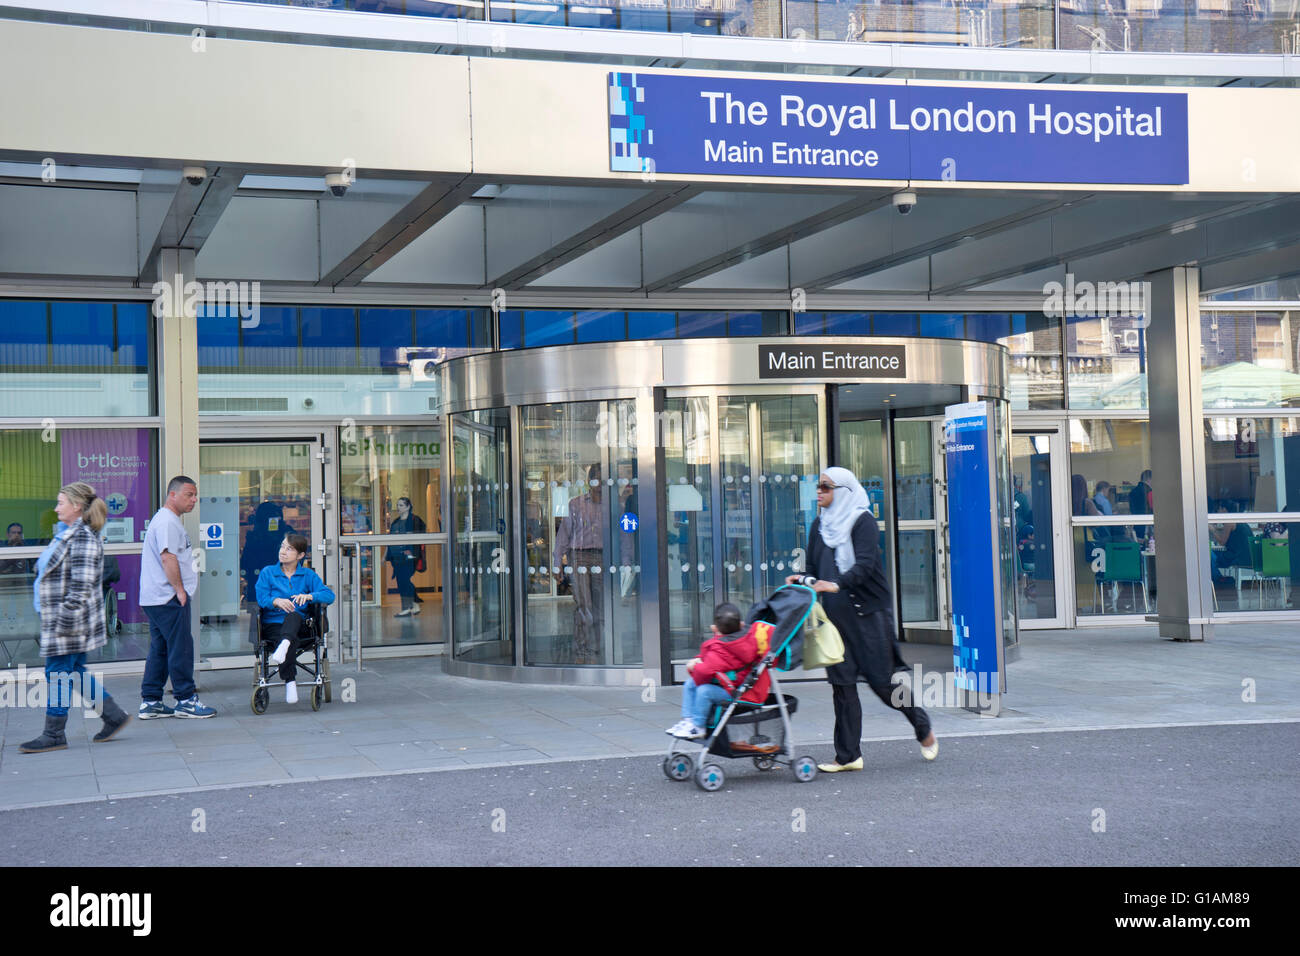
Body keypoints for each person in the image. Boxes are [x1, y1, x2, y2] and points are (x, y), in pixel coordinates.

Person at [787, 467, 936, 773]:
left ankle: (922, 726)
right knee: (842, 686)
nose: (819, 492)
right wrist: (804, 579)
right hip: (835, 618)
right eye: (818, 486)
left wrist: (837, 584)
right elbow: (815, 566)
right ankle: (848, 755)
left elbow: (866, 566)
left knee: (882, 684)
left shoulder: (862, 521)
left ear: (842, 490)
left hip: (868, 615)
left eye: (826, 487)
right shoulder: (820, 524)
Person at [20, 483, 131, 753]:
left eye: (61, 503)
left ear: (77, 506)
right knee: (75, 672)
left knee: (57, 672)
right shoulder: (69, 534)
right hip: (65, 618)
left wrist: (62, 622)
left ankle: (54, 733)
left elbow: (81, 587)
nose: (56, 507)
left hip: (68, 620)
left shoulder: (81, 538)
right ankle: (113, 716)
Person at [138, 476, 216, 719]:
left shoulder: (165, 521)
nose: (194, 500)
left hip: (157, 597)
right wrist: (180, 590)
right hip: (168, 597)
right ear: (172, 495)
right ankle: (185, 699)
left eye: (195, 495)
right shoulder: (168, 523)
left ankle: (151, 701)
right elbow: (168, 558)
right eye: (189, 494)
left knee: (160, 648)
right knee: (180, 648)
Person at [666, 602, 769, 740]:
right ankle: (688, 721)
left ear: (715, 628)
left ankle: (697, 725)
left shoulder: (720, 648)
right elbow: (711, 659)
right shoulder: (746, 637)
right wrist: (700, 660)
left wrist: (693, 666)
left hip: (732, 690)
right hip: (732, 683)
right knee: (691, 684)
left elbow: (703, 674)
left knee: (703, 690)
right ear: (741, 624)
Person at [255, 533, 334, 704]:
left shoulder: (307, 575)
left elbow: (329, 596)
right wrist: (276, 601)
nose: (283, 551)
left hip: (301, 626)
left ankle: (285, 655)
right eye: (282, 546)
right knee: (288, 638)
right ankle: (290, 681)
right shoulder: (268, 573)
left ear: (300, 555)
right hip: (273, 624)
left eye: (289, 549)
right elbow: (261, 598)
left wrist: (310, 597)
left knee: (294, 617)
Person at [553, 464, 607, 664]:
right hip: (580, 558)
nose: (599, 485)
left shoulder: (611, 506)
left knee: (600, 606)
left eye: (602, 480)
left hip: (603, 557)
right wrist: (557, 562)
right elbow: (563, 536)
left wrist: (626, 561)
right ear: (589, 482)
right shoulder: (575, 504)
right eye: (596, 480)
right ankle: (582, 651)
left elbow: (622, 537)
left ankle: (596, 650)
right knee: (584, 605)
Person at [385, 496, 426, 617]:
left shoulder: (415, 520)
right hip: (397, 557)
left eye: (401, 505)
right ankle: (414, 604)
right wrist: (385, 556)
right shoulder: (396, 522)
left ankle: (407, 607)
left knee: (404, 581)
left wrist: (412, 550)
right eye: (398, 505)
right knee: (403, 581)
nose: (398, 507)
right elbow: (390, 541)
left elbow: (421, 536)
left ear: (408, 506)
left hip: (411, 557)